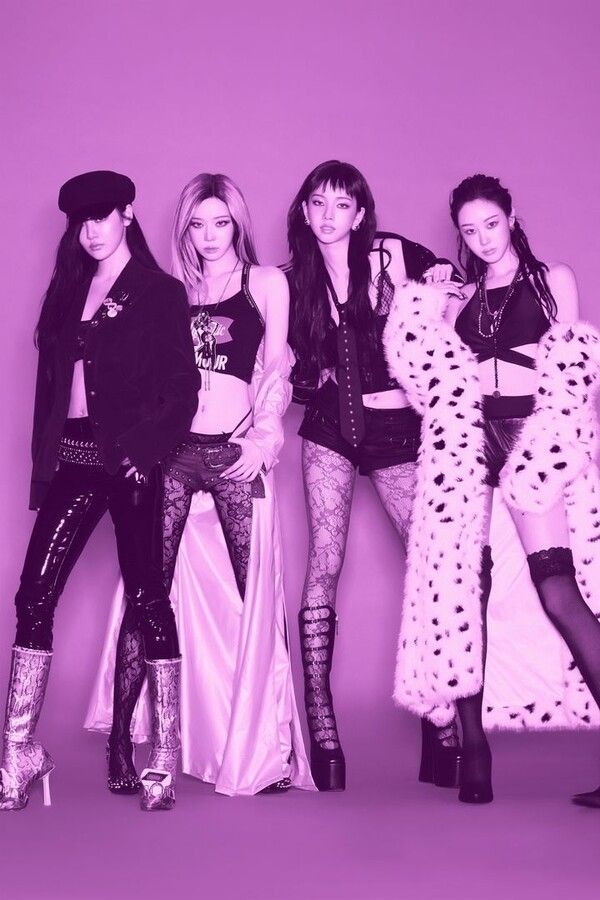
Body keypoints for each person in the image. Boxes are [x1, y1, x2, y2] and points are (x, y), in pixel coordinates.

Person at [86, 173, 314, 797]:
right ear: (183, 228)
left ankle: (268, 750)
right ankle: (121, 740)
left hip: (233, 448)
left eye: (221, 223)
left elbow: (275, 369)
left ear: (237, 224)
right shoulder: (169, 290)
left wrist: (264, 440)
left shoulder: (264, 284)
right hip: (176, 454)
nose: (210, 236)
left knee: (257, 597)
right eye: (197, 224)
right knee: (147, 593)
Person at [386, 173, 600, 805]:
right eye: (470, 230)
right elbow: (421, 376)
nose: (482, 239)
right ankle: (474, 751)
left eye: (491, 224)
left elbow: (573, 380)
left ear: (512, 217)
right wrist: (424, 301)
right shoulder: (460, 296)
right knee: (466, 595)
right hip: (471, 445)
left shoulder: (551, 280)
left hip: (533, 440)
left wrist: (548, 454)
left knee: (557, 590)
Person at [0, 170, 199, 812]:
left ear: (127, 215)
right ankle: (19, 752)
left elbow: (183, 388)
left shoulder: (158, 292)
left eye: (102, 216)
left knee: (148, 597)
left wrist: (144, 451)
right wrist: (44, 467)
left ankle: (164, 752)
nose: (90, 230)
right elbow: (50, 394)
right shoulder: (67, 291)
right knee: (34, 595)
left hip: (131, 459)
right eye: (80, 220)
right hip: (74, 459)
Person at [287, 159, 463, 791]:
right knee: (324, 562)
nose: (328, 215)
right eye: (317, 203)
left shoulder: (393, 256)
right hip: (331, 429)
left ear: (360, 214)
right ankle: (323, 730)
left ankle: (442, 721)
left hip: (396, 430)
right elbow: (284, 365)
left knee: (430, 564)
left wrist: (443, 283)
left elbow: (458, 288)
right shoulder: (293, 281)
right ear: (304, 211)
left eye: (342, 204)